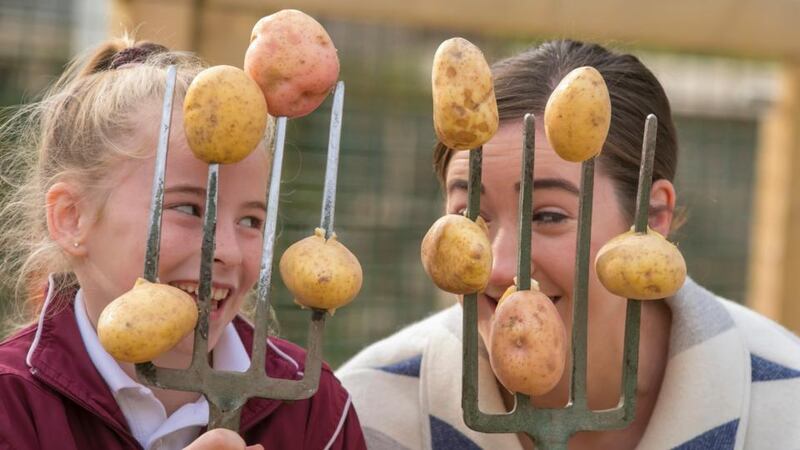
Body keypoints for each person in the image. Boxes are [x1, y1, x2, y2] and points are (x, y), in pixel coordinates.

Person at [336, 39, 800, 449]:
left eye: (549, 216)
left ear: (651, 218)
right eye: (469, 218)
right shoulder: (364, 413)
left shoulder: (786, 404)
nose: (498, 268)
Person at [0, 37, 366, 450]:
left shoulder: (313, 411)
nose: (226, 249)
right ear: (72, 218)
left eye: (251, 220)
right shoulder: (11, 407)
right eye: (189, 209)